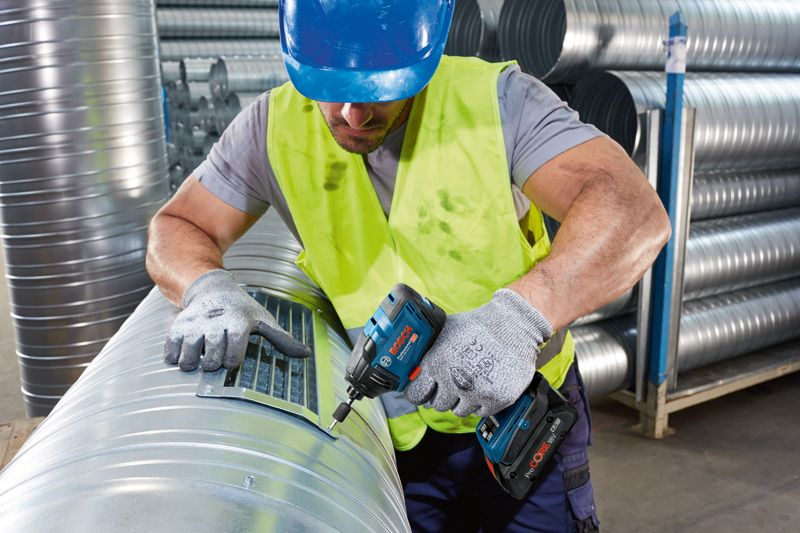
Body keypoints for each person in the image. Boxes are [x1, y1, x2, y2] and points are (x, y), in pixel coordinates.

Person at [146, 1, 670, 531]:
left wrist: (518, 318)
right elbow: (178, 225)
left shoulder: (499, 101)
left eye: (378, 88)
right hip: (398, 442)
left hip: (521, 419)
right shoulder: (269, 128)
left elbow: (633, 212)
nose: (353, 115)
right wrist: (206, 287)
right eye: (330, 85)